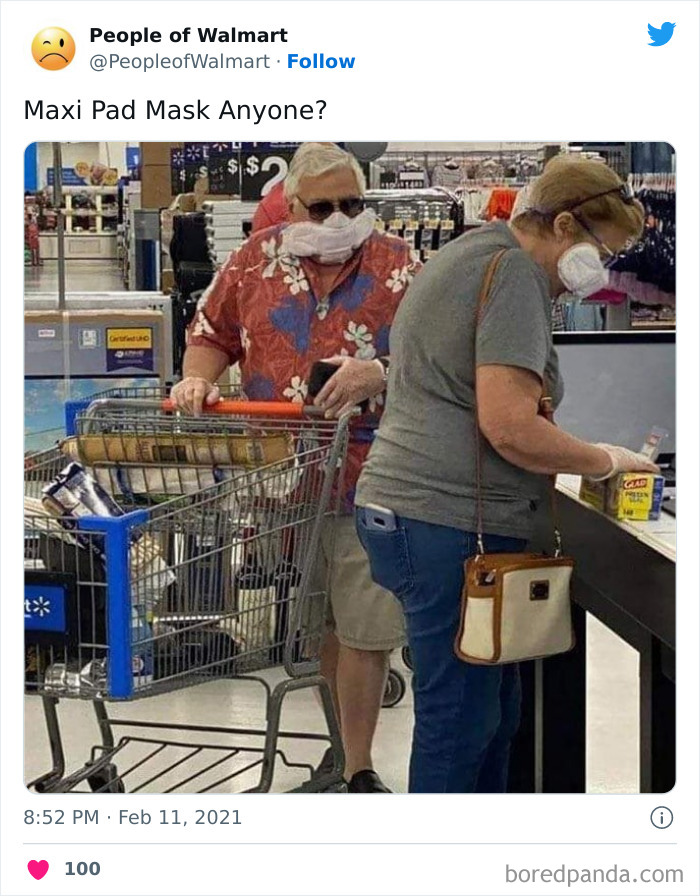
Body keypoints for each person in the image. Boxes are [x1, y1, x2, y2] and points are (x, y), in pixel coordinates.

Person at [354, 157, 660, 793]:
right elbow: (510, 426)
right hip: (447, 520)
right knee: (461, 720)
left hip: (414, 512)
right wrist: (605, 458)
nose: (603, 267)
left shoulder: (472, 254)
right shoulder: (515, 273)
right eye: (603, 248)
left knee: (492, 715)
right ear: (564, 222)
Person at [171, 142, 421, 792]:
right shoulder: (254, 261)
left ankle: (360, 767)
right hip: (284, 480)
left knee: (366, 629)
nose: (341, 217)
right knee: (319, 630)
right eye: (324, 205)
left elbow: (447, 359)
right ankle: (338, 756)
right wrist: (197, 382)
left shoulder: (403, 265)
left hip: (375, 477)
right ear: (292, 206)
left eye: (353, 204)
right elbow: (210, 333)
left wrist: (382, 371)